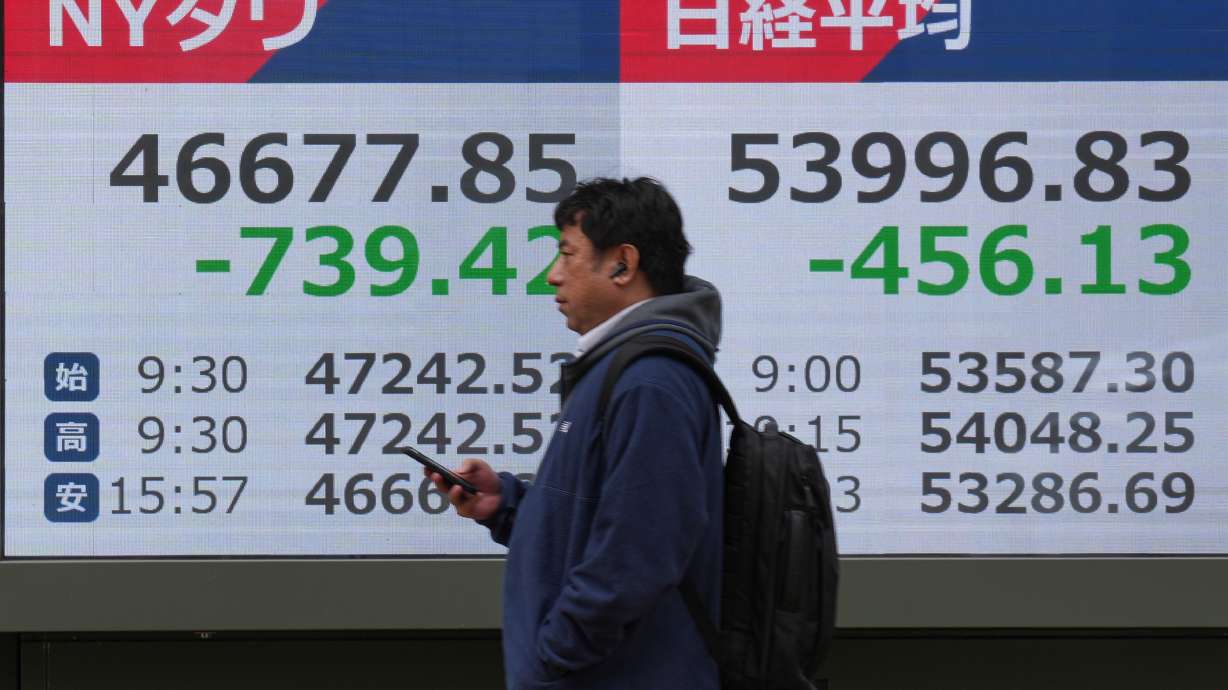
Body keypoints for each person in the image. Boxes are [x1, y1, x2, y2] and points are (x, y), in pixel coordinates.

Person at [424, 177, 724, 690]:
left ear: (622, 264)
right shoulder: (623, 369)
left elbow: (637, 553)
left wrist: (555, 656)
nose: (553, 275)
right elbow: (599, 523)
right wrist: (506, 505)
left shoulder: (651, 382)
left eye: (567, 254)